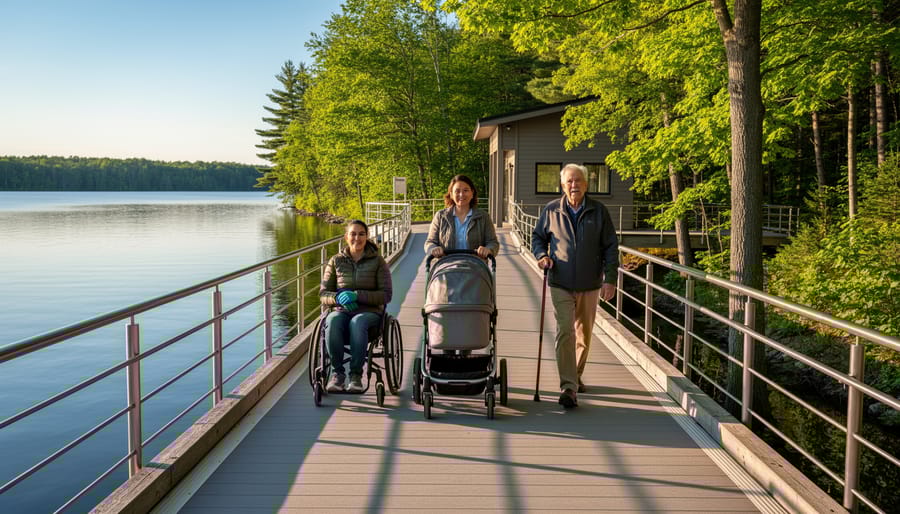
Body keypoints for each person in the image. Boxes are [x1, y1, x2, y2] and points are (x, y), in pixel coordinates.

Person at [532, 163, 619, 409]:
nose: (574, 185)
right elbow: (538, 237)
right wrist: (541, 256)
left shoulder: (599, 211)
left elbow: (611, 247)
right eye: (569, 181)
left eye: (578, 180)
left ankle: (575, 374)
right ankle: (568, 387)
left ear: (586, 184)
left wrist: (610, 279)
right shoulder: (551, 211)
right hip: (560, 281)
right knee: (565, 332)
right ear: (562, 185)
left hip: (590, 283)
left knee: (584, 335)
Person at [320, 219, 393, 393]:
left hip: (370, 313)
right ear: (346, 237)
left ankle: (355, 376)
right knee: (333, 320)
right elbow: (323, 294)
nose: (357, 238)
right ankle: (337, 375)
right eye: (353, 234)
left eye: (361, 234)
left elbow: (386, 295)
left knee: (358, 322)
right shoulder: (336, 261)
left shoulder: (378, 262)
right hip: (342, 310)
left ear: (367, 237)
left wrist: (357, 295)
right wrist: (338, 298)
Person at [424, 174, 499, 260]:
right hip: (447, 268)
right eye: (457, 191)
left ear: (472, 193)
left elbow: (493, 242)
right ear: (451, 194)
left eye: (465, 190)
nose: (461, 194)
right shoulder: (440, 216)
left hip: (475, 268)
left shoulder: (483, 217)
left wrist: (488, 249)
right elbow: (430, 242)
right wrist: (433, 249)